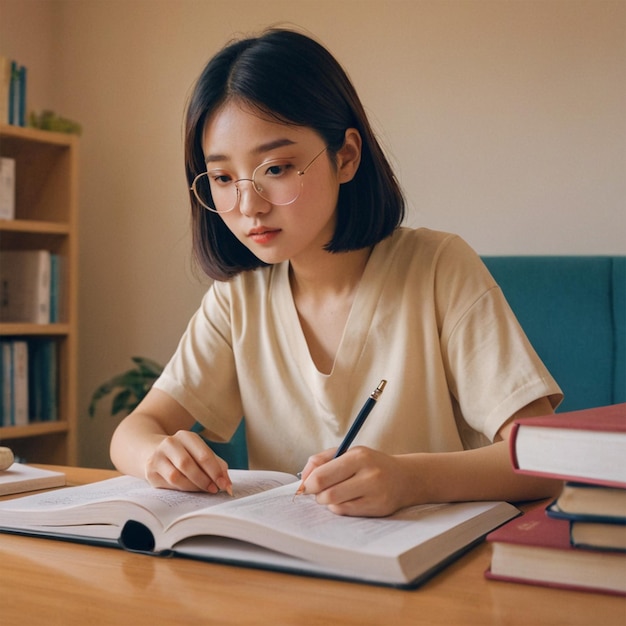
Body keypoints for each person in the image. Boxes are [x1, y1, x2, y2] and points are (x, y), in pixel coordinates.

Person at [110, 27, 563, 517]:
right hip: (290, 572)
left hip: (436, 576)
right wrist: (159, 455)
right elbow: (132, 432)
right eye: (222, 177)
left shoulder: (438, 268)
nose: (247, 205)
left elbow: (544, 457)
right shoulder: (238, 299)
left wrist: (411, 480)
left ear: (345, 156)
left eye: (276, 168)